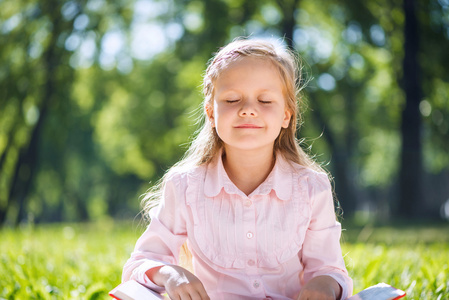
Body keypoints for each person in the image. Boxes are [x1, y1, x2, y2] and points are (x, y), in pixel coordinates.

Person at [122, 38, 353, 300]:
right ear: (211, 113)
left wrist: (324, 284)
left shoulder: (312, 187)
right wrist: (170, 274)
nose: (248, 110)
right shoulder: (184, 186)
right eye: (232, 99)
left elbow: (329, 269)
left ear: (286, 116)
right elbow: (139, 264)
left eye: (265, 101)